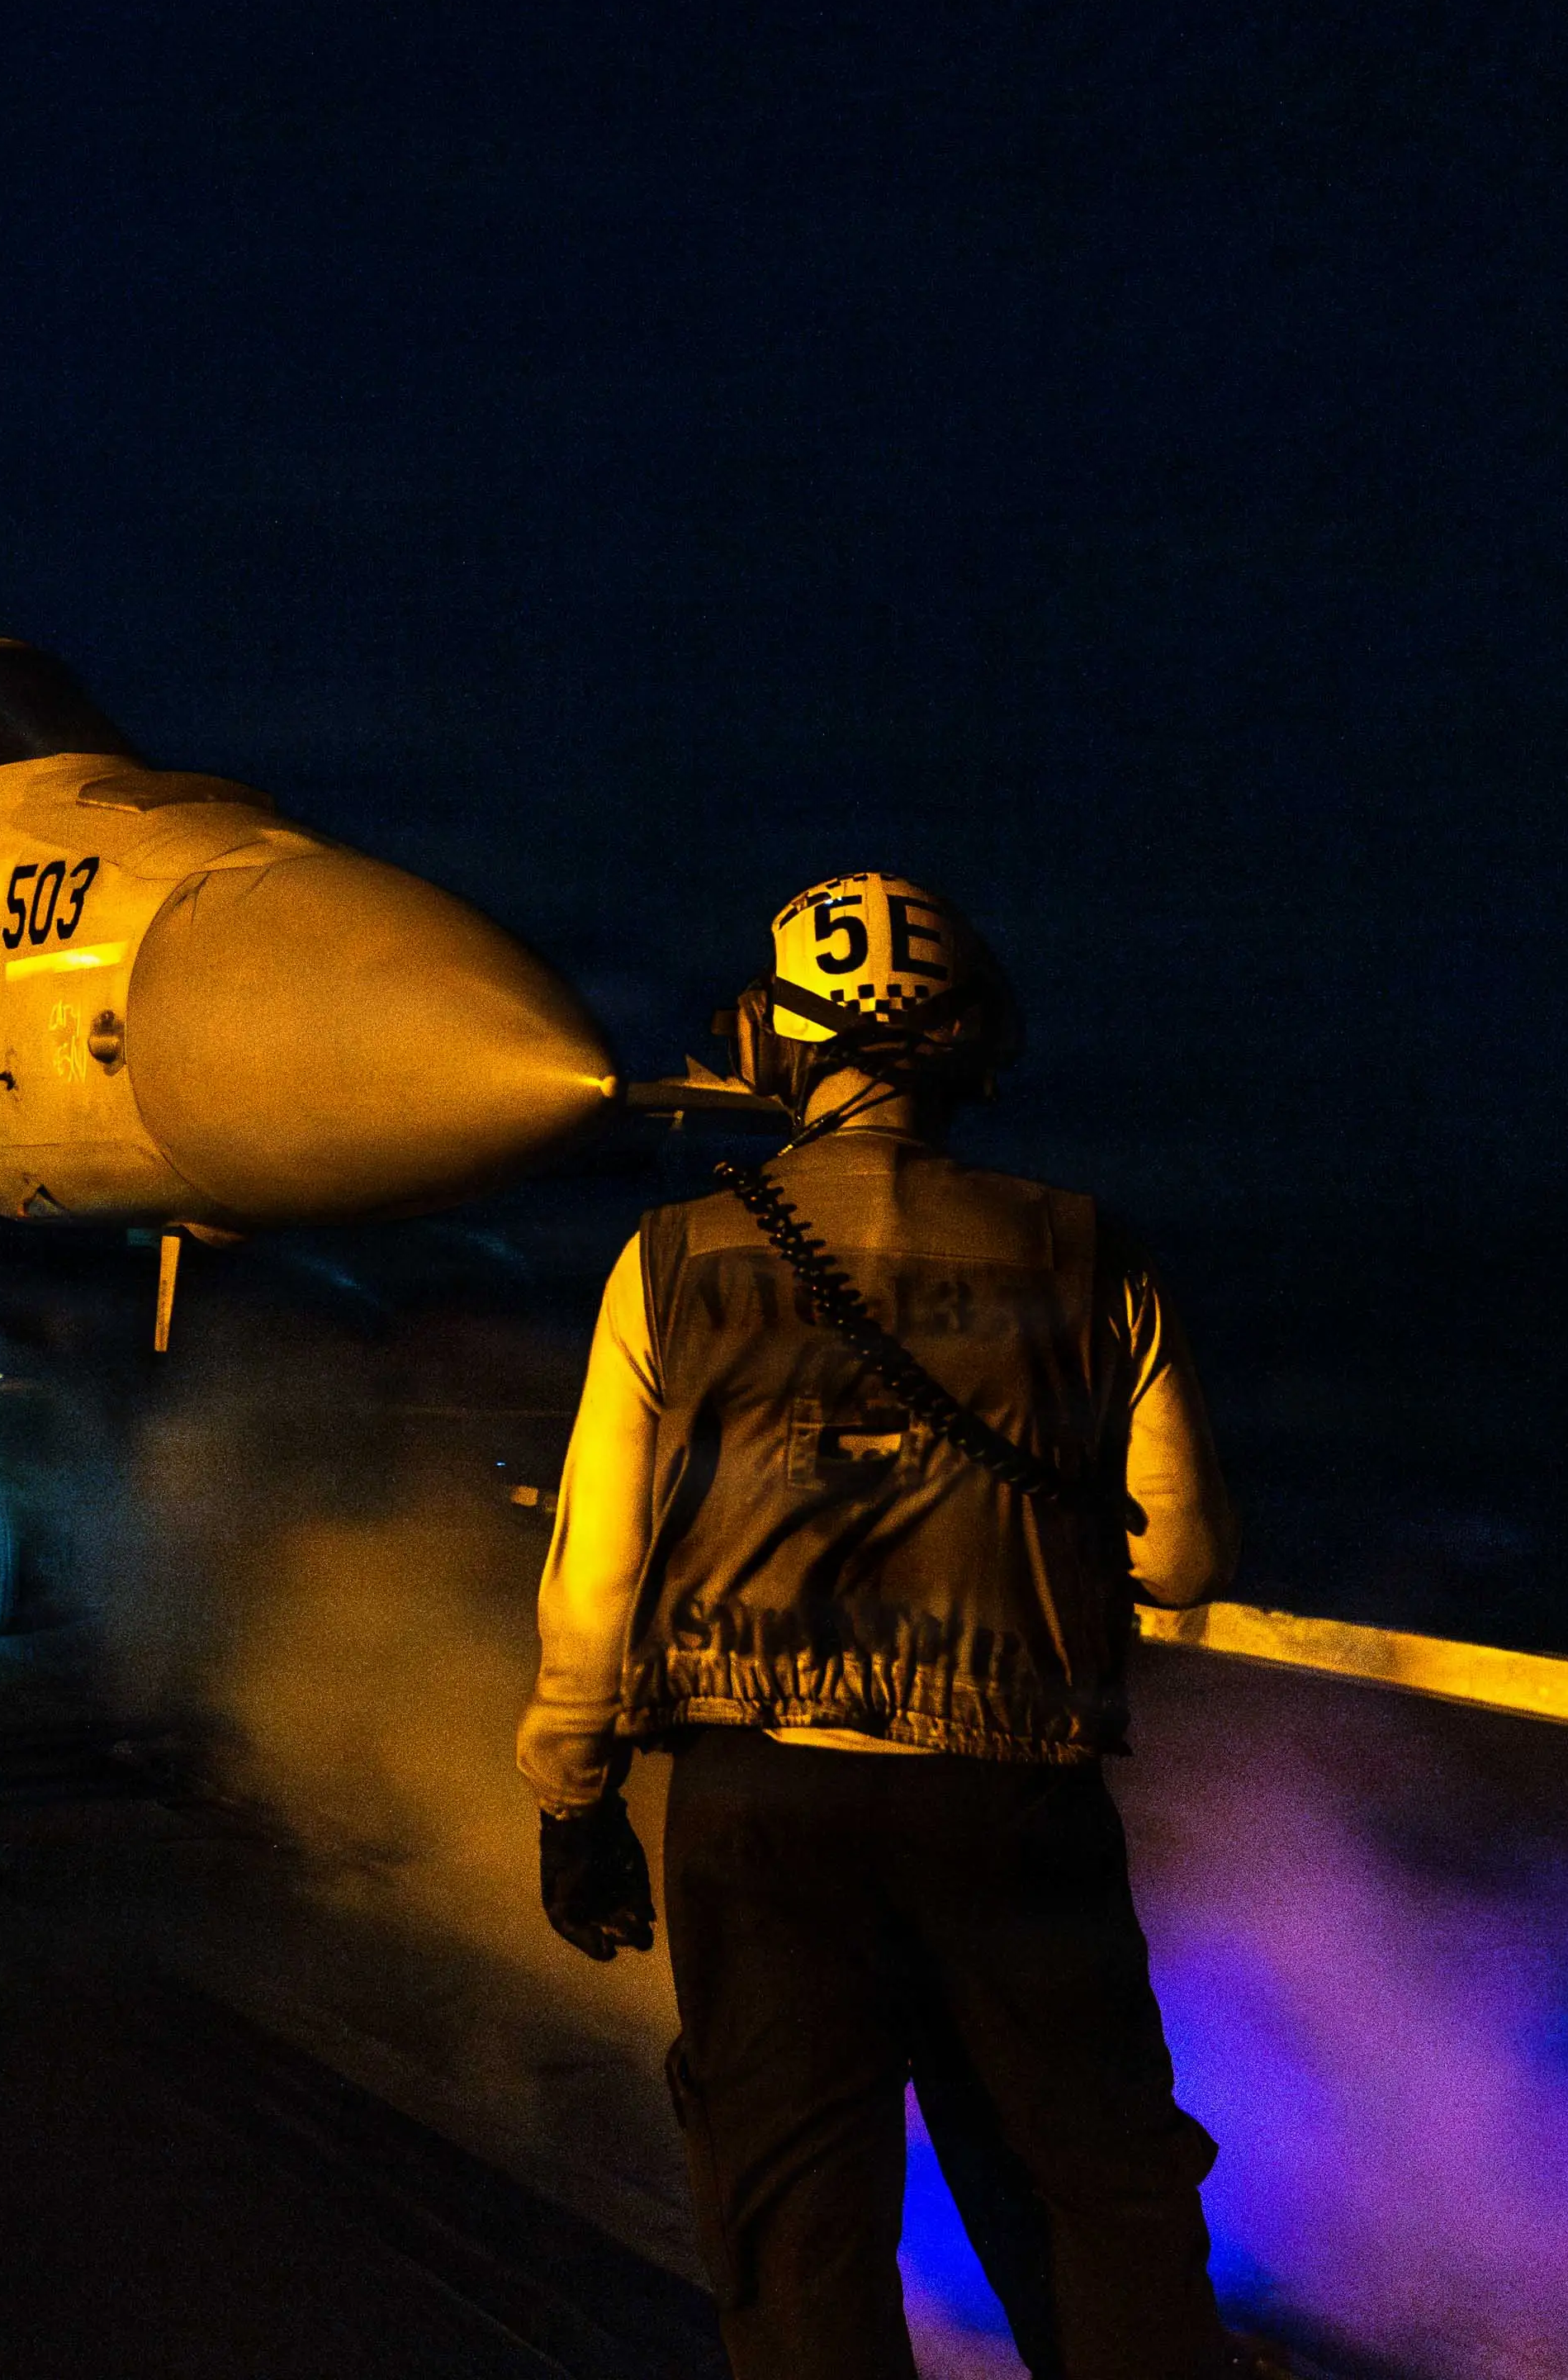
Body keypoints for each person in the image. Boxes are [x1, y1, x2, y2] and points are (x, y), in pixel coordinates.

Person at [518, 872, 1241, 2380]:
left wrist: (575, 1802)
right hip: (1012, 1808)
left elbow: (597, 1574)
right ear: (970, 1042)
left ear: (783, 1050)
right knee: (1098, 2199)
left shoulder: (673, 1258)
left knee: (799, 2229)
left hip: (759, 1809)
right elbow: (1178, 1559)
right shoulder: (1089, 1253)